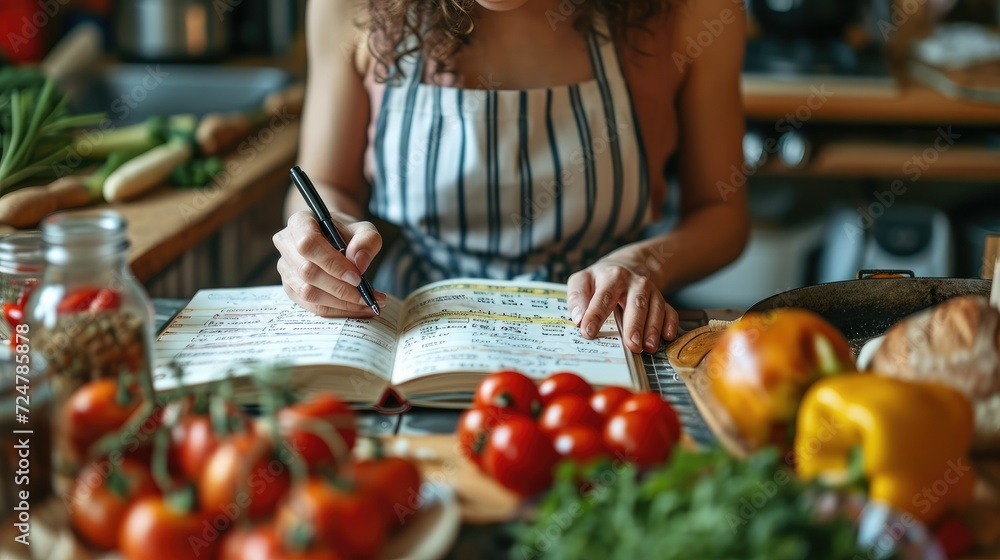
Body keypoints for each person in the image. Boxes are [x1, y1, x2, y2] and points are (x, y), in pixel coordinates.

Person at [273, 0, 749, 354]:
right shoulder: (349, 7)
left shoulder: (693, 10)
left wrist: (647, 262)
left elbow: (721, 212)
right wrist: (315, 242)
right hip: (410, 331)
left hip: (608, 333)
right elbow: (324, 186)